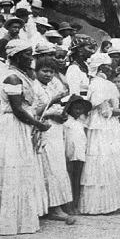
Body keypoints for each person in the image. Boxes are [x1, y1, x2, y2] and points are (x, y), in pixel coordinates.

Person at [0, 40, 50, 235]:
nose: (30, 58)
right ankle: (5, 220)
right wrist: (38, 125)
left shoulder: (20, 76)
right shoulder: (12, 78)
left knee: (17, 169)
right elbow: (18, 109)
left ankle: (16, 218)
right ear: (15, 56)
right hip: (12, 126)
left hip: (18, 126)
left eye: (31, 54)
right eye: (26, 54)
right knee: (10, 168)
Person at [79, 53, 120, 214]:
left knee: (102, 159)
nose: (113, 69)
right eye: (110, 66)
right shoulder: (104, 85)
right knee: (104, 158)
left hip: (99, 124)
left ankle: (102, 202)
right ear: (103, 68)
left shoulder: (95, 83)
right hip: (104, 125)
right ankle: (103, 204)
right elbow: (106, 112)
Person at [33, 57, 75, 224]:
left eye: (51, 71)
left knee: (58, 165)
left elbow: (56, 106)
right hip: (44, 129)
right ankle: (52, 208)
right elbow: (34, 111)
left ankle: (58, 204)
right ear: (36, 71)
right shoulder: (34, 87)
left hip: (56, 129)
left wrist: (62, 114)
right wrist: (52, 106)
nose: (48, 75)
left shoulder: (51, 86)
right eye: (44, 71)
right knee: (49, 166)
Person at [62, 95, 90, 215]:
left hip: (79, 155)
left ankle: (75, 204)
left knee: (77, 179)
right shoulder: (66, 122)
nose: (78, 111)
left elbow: (82, 140)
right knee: (69, 179)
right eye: (75, 108)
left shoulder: (81, 123)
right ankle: (68, 206)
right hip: (69, 155)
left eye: (80, 109)